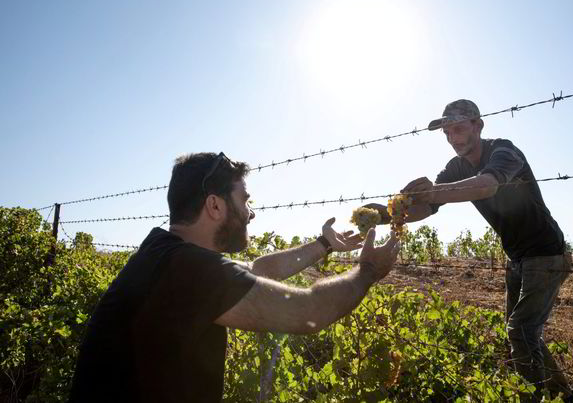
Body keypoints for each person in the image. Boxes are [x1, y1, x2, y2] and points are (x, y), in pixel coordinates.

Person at [69, 152, 400, 403]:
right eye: (244, 200)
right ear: (214, 205)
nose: (249, 213)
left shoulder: (165, 253)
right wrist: (368, 271)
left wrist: (324, 244)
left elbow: (258, 271)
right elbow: (308, 313)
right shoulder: (187, 269)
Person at [365, 99, 573, 401]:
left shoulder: (503, 151)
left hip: (546, 253)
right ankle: (563, 394)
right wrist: (388, 215)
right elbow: (429, 206)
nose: (453, 138)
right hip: (516, 256)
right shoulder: (456, 167)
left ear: (478, 125)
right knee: (524, 332)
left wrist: (434, 191)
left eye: (459, 128)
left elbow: (486, 185)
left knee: (521, 330)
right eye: (447, 133)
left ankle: (534, 396)